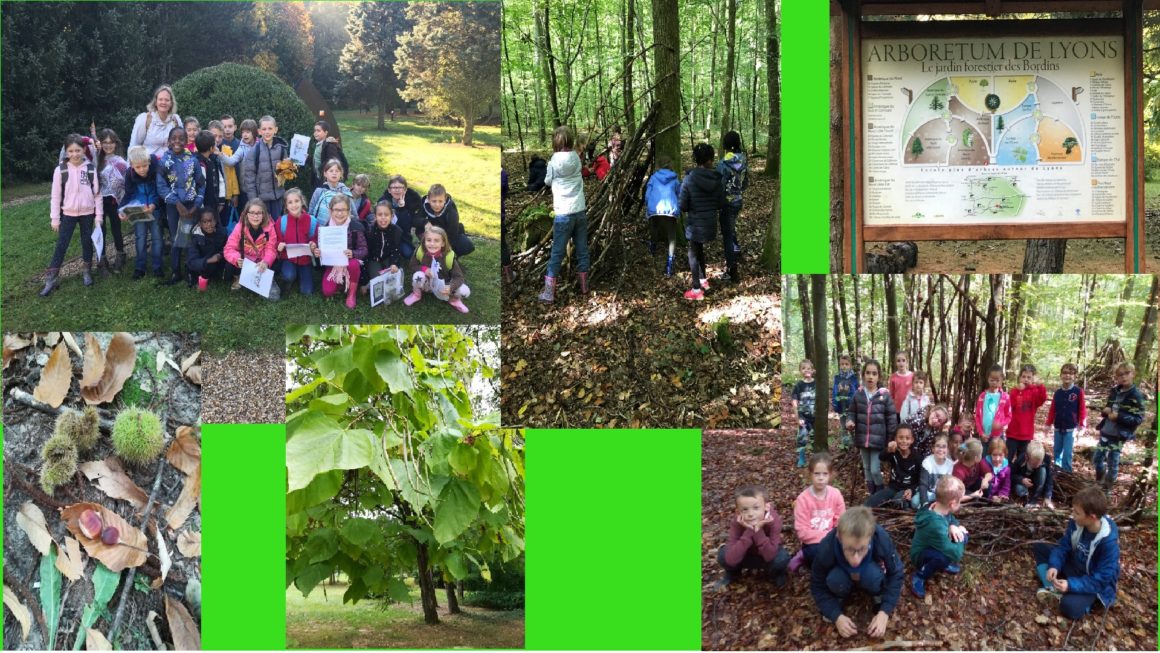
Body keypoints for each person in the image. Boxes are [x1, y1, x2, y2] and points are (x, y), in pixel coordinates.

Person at [809, 507, 904, 639]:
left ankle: (877, 593)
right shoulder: (827, 547)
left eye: (862, 549)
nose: (856, 559)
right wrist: (835, 615)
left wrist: (884, 611)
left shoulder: (880, 538)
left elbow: (896, 573)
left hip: (870, 572)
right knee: (835, 580)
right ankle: (839, 595)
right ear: (839, 537)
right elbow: (817, 584)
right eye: (849, 549)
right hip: (841, 574)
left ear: (870, 537)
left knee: (873, 576)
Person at [1033, 486, 1120, 619]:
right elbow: (1063, 546)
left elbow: (1101, 580)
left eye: (1077, 513)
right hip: (1075, 565)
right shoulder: (1076, 523)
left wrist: (1071, 585)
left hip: (1091, 581)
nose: (1073, 515)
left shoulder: (1108, 542)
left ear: (1092, 517)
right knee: (1040, 546)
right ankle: (1052, 589)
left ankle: (1072, 596)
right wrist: (1054, 565)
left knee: (1070, 608)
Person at [40, 134, 103, 296]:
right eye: (71, 151)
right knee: (62, 245)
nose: (75, 154)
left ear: (84, 150)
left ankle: (87, 271)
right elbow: (55, 196)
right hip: (68, 214)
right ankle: (51, 279)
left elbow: (97, 194)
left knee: (86, 242)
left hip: (88, 213)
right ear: (66, 152)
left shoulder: (90, 169)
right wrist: (55, 218)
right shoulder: (60, 170)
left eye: (78, 150)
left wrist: (99, 216)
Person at [538, 126, 589, 303]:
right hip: (579, 211)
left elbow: (547, 181)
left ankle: (549, 293)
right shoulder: (576, 157)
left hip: (563, 213)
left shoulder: (553, 161)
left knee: (557, 253)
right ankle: (584, 287)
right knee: (582, 249)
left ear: (556, 142)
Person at [714, 485, 790, 590]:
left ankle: (776, 573)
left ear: (766, 507)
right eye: (745, 509)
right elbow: (731, 559)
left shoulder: (773, 520)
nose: (751, 514)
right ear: (738, 511)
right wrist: (750, 530)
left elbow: (769, 555)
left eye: (756, 508)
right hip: (745, 555)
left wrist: (758, 531)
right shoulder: (737, 522)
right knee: (723, 555)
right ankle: (733, 573)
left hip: (765, 556)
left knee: (782, 558)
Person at [156, 126, 205, 286]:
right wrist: (176, 204)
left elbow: (201, 183)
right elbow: (161, 186)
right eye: (174, 138)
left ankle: (191, 271)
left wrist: (196, 205)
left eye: (181, 139)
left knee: (190, 237)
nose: (177, 141)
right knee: (176, 237)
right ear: (169, 141)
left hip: (191, 206)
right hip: (173, 206)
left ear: (186, 141)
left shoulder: (193, 160)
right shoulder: (164, 161)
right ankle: (176, 271)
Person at [679, 143, 725, 301]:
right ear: (711, 159)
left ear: (695, 159)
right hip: (710, 224)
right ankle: (703, 281)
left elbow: (683, 206)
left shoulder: (688, 179)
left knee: (692, 253)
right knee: (699, 251)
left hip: (695, 225)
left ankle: (696, 289)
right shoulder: (717, 179)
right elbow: (720, 203)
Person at [909, 476, 968, 599]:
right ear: (952, 504)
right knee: (944, 557)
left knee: (956, 537)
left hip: (936, 543)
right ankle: (919, 575)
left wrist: (953, 526)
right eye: (960, 501)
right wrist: (963, 535)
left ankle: (942, 565)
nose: (960, 504)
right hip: (920, 555)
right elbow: (956, 554)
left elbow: (950, 518)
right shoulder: (935, 525)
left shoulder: (937, 506)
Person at [846, 359, 898, 495]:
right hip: (862, 439)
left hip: (878, 440)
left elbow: (892, 418)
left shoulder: (884, 395)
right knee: (867, 468)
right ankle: (872, 494)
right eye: (868, 373)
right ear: (863, 375)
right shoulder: (858, 394)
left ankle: (880, 495)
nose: (870, 376)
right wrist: (850, 421)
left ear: (879, 376)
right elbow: (851, 412)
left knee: (875, 469)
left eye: (874, 373)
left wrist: (891, 438)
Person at [789, 452, 846, 574]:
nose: (821, 478)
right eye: (817, 474)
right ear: (810, 475)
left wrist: (834, 536)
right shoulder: (803, 499)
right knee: (820, 555)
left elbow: (841, 522)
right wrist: (826, 537)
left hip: (832, 539)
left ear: (830, 475)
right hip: (812, 542)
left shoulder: (836, 494)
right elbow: (802, 531)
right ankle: (803, 555)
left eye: (825, 474)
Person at [1092, 362, 1146, 491]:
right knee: (1097, 459)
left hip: (1118, 435)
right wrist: (1105, 411)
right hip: (1106, 431)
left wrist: (1119, 417)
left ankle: (1107, 489)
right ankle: (1099, 482)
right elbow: (1109, 407)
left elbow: (1138, 419)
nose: (1123, 377)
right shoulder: (1115, 391)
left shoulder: (1136, 396)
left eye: (1127, 373)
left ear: (1133, 374)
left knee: (1113, 463)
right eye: (1120, 375)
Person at [310, 194, 365, 310]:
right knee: (327, 292)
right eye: (336, 210)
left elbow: (364, 249)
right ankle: (341, 282)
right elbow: (318, 244)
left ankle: (351, 293)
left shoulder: (355, 227)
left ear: (349, 211)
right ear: (330, 211)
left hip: (350, 262)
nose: (340, 213)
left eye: (343, 210)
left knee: (354, 264)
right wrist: (317, 252)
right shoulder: (325, 227)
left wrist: (353, 253)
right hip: (332, 265)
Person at [404, 226, 471, 314]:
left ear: (443, 243)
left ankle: (454, 300)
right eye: (429, 240)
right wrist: (424, 269)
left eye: (436, 240)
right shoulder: (420, 251)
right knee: (418, 276)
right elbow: (412, 265)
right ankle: (417, 294)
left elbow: (459, 277)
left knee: (465, 291)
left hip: (444, 288)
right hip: (427, 284)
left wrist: (451, 287)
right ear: (424, 241)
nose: (432, 244)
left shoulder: (449, 257)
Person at [120, 146, 162, 280]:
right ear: (132, 166)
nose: (142, 170)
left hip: (155, 210)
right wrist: (121, 210)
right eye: (138, 167)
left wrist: (154, 205)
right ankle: (140, 267)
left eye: (145, 166)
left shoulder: (156, 171)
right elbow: (128, 195)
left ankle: (157, 266)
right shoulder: (129, 175)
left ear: (149, 162)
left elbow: (159, 192)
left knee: (157, 238)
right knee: (140, 238)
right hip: (138, 212)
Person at [224, 199, 279, 300]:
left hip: (261, 261)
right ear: (246, 214)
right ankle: (238, 277)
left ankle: (267, 279)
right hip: (245, 261)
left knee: (275, 263)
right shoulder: (239, 227)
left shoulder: (270, 228)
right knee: (229, 265)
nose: (255, 216)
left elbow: (271, 248)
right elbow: (229, 248)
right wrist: (237, 259)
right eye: (252, 213)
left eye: (259, 213)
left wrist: (266, 261)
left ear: (264, 214)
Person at [94, 128, 129, 274]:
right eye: (104, 142)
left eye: (111, 142)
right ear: (99, 143)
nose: (108, 145)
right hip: (99, 201)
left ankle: (120, 255)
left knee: (116, 229)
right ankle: (101, 260)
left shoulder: (121, 162)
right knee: (100, 230)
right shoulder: (95, 160)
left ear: (115, 144)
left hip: (115, 200)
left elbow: (126, 182)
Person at [242, 115, 289, 219]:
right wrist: (253, 201)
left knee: (277, 225)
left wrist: (288, 168)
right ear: (259, 131)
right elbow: (249, 179)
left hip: (278, 196)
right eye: (264, 129)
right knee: (264, 227)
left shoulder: (282, 149)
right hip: (261, 199)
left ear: (275, 130)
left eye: (270, 128)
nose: (267, 132)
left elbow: (286, 172)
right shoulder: (254, 152)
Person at [274, 188, 317, 297]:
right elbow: (276, 240)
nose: (294, 205)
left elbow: (315, 238)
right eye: (290, 202)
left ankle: (300, 275)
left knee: (307, 292)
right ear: (286, 206)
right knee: (288, 276)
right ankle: (290, 277)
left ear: (302, 201)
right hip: (288, 259)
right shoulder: (281, 221)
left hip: (305, 260)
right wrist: (279, 245)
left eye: (296, 201)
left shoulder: (312, 220)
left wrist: (313, 244)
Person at [716, 130, 747, 282]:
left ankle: (732, 271)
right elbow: (745, 180)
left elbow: (718, 184)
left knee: (727, 236)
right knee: (731, 228)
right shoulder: (743, 159)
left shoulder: (723, 163)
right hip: (738, 200)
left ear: (725, 146)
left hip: (727, 203)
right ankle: (736, 251)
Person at [643, 154, 681, 278]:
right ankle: (669, 264)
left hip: (655, 209)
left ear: (658, 165)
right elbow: (679, 194)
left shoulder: (653, 178)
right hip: (670, 210)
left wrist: (648, 205)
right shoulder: (675, 178)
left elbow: (647, 195)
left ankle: (652, 252)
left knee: (654, 230)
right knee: (672, 236)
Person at [866, 425, 921, 509]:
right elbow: (881, 457)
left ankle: (904, 505)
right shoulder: (893, 452)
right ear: (895, 439)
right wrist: (888, 450)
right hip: (893, 488)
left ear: (912, 440)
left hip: (907, 489)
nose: (904, 441)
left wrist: (912, 490)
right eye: (901, 438)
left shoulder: (917, 457)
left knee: (898, 501)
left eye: (907, 438)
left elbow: (920, 479)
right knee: (870, 503)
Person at [1047, 363, 1087, 473]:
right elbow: (1052, 409)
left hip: (1071, 427)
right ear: (1061, 375)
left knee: (1068, 452)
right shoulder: (1058, 393)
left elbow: (1082, 409)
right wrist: (1048, 423)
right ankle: (1057, 471)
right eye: (1065, 373)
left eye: (1070, 373)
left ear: (1075, 376)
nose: (1067, 375)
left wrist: (1082, 425)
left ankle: (1067, 473)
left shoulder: (1078, 392)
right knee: (1057, 450)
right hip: (1058, 426)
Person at [361, 200, 406, 297]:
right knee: (378, 281)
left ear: (392, 215)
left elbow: (396, 250)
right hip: (373, 259)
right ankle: (368, 284)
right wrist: (363, 280)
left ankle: (380, 281)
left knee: (393, 275)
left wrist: (394, 263)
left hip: (388, 257)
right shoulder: (369, 230)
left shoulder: (396, 231)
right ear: (375, 216)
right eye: (380, 215)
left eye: (386, 215)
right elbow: (366, 252)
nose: (383, 218)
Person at [419, 184, 474, 256]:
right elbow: (415, 219)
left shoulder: (451, 211)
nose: (437, 205)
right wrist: (425, 222)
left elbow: (453, 232)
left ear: (445, 199)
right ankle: (427, 249)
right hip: (431, 234)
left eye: (440, 201)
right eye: (434, 201)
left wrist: (444, 247)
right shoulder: (424, 205)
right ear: (428, 199)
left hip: (447, 235)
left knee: (466, 245)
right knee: (420, 229)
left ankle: (453, 255)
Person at [128, 84, 181, 159]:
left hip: (170, 165)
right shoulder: (145, 119)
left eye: (167, 100)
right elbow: (134, 144)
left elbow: (182, 143)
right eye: (160, 99)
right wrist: (130, 168)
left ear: (171, 103)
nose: (163, 102)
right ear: (155, 102)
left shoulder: (176, 120)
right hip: (147, 166)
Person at [1008, 364, 1047, 462]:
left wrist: (1040, 385)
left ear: (1033, 378)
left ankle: (1019, 477)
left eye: (1029, 377)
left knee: (1022, 461)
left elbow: (1042, 399)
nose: (1026, 379)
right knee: (1007, 459)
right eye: (1023, 377)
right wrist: (1017, 391)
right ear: (1019, 377)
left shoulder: (1034, 391)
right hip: (1012, 433)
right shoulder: (1014, 391)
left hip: (1026, 434)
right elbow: (1009, 407)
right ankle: (1005, 476)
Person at [379, 175, 424, 259]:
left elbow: (406, 227)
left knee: (408, 253)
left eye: (400, 187)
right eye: (394, 187)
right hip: (385, 236)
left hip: (402, 237)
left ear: (405, 190)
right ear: (389, 190)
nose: (397, 190)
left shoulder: (411, 203)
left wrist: (402, 208)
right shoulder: (383, 201)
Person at [187, 207, 229, 289]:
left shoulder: (222, 233)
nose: (209, 224)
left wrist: (220, 255)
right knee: (207, 266)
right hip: (203, 265)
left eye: (211, 221)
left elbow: (228, 248)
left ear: (215, 221)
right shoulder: (195, 237)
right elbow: (191, 261)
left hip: (218, 262)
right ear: (199, 223)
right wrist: (208, 260)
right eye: (205, 222)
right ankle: (200, 279)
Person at [1011, 441, 1055, 509]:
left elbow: (1049, 479)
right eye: (1034, 464)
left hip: (1038, 481)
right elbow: (1012, 475)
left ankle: (1033, 500)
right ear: (1027, 457)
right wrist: (1021, 480)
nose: (1037, 466)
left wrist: (1047, 497)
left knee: (1042, 470)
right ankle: (1025, 497)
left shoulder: (1046, 459)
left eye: (1039, 463)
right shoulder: (1020, 460)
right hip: (1024, 482)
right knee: (1019, 489)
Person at [194, 130, 225, 223]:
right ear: (211, 148)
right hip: (203, 205)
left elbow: (220, 180)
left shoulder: (213, 160)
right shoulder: (197, 163)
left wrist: (221, 200)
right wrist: (201, 206)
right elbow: (199, 186)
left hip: (214, 203)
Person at [308, 159, 352, 225]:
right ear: (325, 174)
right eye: (331, 171)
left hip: (339, 229)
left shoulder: (345, 192)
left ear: (341, 174)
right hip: (319, 229)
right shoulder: (319, 191)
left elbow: (352, 212)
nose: (334, 173)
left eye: (337, 171)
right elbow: (311, 210)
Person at [975, 364, 1013, 440]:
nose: (994, 383)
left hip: (998, 436)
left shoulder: (1005, 397)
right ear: (988, 379)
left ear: (1002, 380)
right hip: (984, 435)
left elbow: (1009, 416)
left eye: (997, 380)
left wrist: (1001, 424)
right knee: (984, 452)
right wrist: (981, 432)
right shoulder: (982, 396)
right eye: (992, 380)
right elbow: (978, 416)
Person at [916, 434, 955, 508]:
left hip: (941, 495)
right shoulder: (927, 462)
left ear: (948, 449)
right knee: (915, 502)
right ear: (933, 448)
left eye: (944, 447)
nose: (940, 450)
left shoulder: (950, 464)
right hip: (928, 492)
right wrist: (924, 503)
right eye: (937, 446)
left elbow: (947, 486)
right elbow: (923, 485)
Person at [308, 120, 348, 191]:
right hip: (319, 178)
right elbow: (318, 161)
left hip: (326, 180)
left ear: (326, 133)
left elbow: (333, 162)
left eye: (318, 131)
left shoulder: (329, 145)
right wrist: (308, 159)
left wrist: (321, 169)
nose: (315, 133)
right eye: (315, 131)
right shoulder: (318, 144)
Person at [792, 360, 818, 468]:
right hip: (803, 416)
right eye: (803, 368)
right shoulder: (799, 385)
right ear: (800, 371)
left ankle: (816, 458)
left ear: (813, 370)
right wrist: (797, 416)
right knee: (802, 436)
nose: (806, 370)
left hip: (815, 415)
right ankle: (802, 458)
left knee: (814, 437)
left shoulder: (816, 384)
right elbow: (794, 401)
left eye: (808, 368)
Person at [831, 353, 860, 435]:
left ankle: (854, 444)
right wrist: (835, 405)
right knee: (843, 426)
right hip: (841, 406)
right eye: (842, 364)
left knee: (852, 425)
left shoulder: (854, 378)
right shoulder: (837, 378)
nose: (844, 366)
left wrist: (850, 391)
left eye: (846, 364)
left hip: (852, 407)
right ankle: (845, 446)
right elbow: (834, 393)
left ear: (850, 365)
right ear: (840, 365)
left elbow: (857, 392)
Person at [981, 438, 1012, 502]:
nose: (997, 459)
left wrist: (1002, 496)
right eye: (994, 455)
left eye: (1000, 455)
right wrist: (990, 497)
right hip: (985, 496)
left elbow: (1006, 485)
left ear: (1005, 454)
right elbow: (981, 482)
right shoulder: (985, 463)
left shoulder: (1006, 468)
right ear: (990, 454)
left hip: (998, 496)